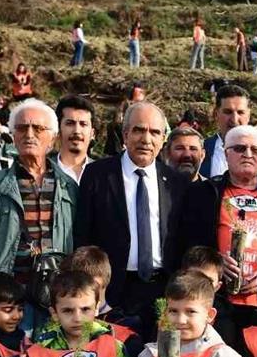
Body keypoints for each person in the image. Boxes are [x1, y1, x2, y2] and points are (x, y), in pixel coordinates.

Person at [0, 99, 78, 337]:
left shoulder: (69, 188)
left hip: (56, 305)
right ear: (12, 135)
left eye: (38, 128)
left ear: (53, 138)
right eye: (22, 128)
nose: (29, 134)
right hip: (5, 304)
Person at [75, 102, 188, 339]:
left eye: (154, 132)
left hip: (163, 290)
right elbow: (83, 234)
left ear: (163, 139)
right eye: (139, 130)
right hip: (112, 291)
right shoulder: (98, 175)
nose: (146, 139)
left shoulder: (176, 182)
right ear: (125, 134)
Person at [170, 124, 257, 307]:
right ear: (225, 153)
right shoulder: (200, 194)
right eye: (239, 148)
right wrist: (214, 261)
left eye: (256, 150)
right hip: (213, 301)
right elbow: (182, 246)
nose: (248, 154)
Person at [201, 84, 254, 179]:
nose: (234, 119)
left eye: (240, 112)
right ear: (216, 114)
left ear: (248, 115)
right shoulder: (201, 150)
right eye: (228, 112)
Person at [53, 94, 95, 185]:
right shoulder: (43, 171)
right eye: (70, 123)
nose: (77, 131)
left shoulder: (104, 174)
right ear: (58, 130)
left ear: (92, 133)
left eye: (83, 124)